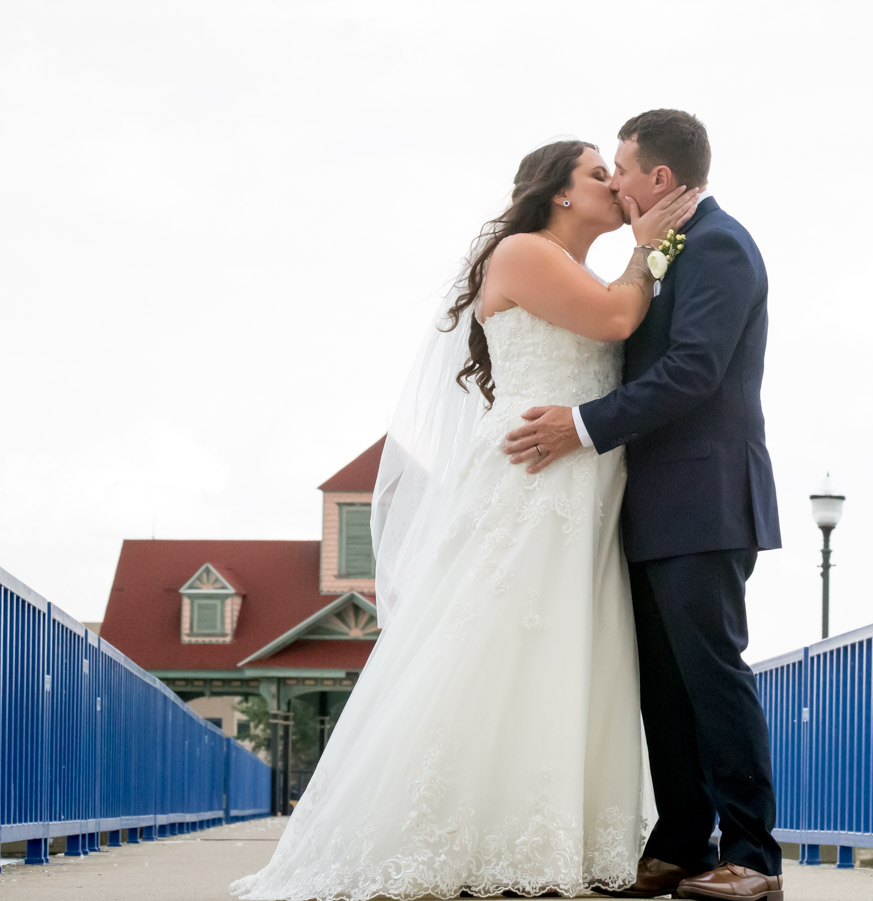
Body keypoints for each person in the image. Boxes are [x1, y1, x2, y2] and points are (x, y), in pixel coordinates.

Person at [227, 139, 700, 901]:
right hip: (532, 473)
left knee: (566, 647)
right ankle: (440, 829)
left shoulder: (574, 264)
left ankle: (545, 830)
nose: (612, 182)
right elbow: (616, 321)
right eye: (595, 173)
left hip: (585, 478)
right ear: (560, 194)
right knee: (496, 635)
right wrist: (648, 248)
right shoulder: (524, 251)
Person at [501, 109, 784, 901]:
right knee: (663, 684)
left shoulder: (721, 246)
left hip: (704, 498)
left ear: (659, 177)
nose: (616, 183)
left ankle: (755, 858)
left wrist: (582, 424)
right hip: (650, 504)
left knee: (712, 675)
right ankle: (683, 846)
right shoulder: (666, 252)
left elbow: (694, 370)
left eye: (620, 169)